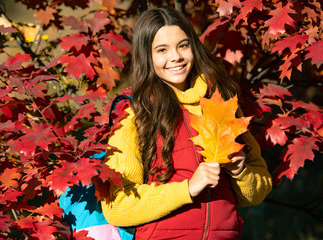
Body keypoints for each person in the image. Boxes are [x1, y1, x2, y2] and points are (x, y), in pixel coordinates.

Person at [100, 6, 272, 240]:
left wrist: (240, 171)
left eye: (183, 45)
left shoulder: (221, 103)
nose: (176, 57)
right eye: (162, 50)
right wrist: (187, 189)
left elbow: (257, 192)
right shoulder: (136, 113)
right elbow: (116, 207)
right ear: (147, 56)